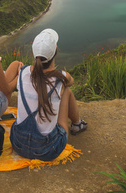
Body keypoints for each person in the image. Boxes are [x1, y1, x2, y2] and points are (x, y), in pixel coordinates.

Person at [10, 28, 88, 161]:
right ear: (55, 51)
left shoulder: (23, 72)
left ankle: (76, 123)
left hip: (18, 144)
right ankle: (77, 124)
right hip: (47, 150)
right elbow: (71, 82)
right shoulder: (61, 77)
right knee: (66, 91)